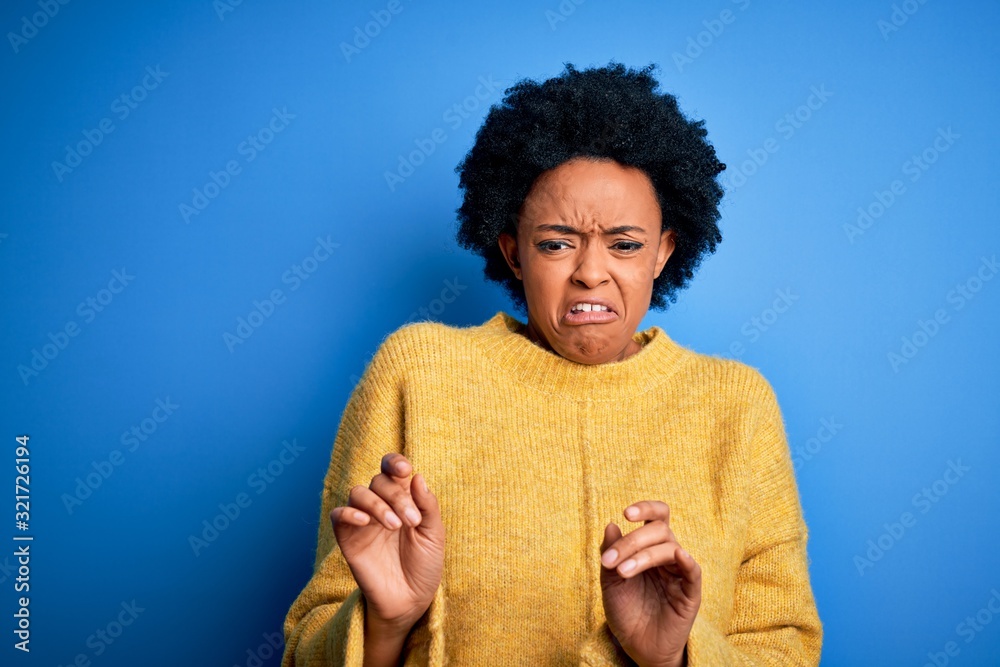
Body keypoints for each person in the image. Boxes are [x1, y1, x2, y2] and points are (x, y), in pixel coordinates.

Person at [281, 61, 822, 666]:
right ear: (513, 252)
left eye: (625, 244)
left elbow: (786, 647)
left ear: (664, 251)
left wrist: (674, 658)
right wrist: (386, 620)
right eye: (557, 243)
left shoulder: (737, 404)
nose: (591, 271)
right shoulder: (418, 373)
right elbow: (308, 644)